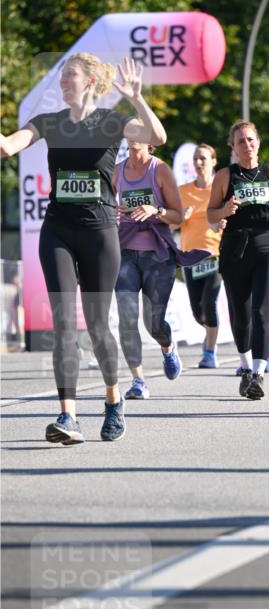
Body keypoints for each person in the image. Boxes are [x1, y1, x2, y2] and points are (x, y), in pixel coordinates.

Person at [0, 54, 166, 443]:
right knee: (62, 324)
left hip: (100, 233)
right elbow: (7, 147)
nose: (62, 82)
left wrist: (137, 99)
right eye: (62, 76)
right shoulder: (49, 122)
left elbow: (157, 137)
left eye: (69, 75)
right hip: (58, 230)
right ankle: (68, 416)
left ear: (90, 81)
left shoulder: (111, 121)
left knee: (96, 325)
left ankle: (113, 399)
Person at [207, 120, 269, 400]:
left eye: (250, 139)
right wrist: (224, 210)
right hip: (235, 247)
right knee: (241, 313)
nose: (246, 145)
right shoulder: (225, 176)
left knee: (261, 310)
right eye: (240, 141)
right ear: (233, 147)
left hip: (267, 244)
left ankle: (259, 374)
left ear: (258, 143)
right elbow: (210, 214)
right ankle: (246, 369)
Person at [114, 141, 209, 398]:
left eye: (139, 132)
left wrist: (155, 210)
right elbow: (106, 206)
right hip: (125, 253)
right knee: (127, 319)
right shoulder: (117, 171)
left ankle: (168, 347)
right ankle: (138, 381)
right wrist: (112, 212)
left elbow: (178, 216)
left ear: (150, 141)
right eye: (130, 132)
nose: (133, 138)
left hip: (157, 256)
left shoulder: (160, 170)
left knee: (153, 323)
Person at [178, 143, 224, 368]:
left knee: (209, 302)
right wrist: (181, 217)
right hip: (189, 257)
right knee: (198, 312)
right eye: (195, 158)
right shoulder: (182, 191)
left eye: (203, 158)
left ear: (213, 162)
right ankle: (209, 336)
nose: (198, 162)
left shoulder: (220, 190)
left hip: (214, 255)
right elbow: (171, 223)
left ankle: (210, 352)